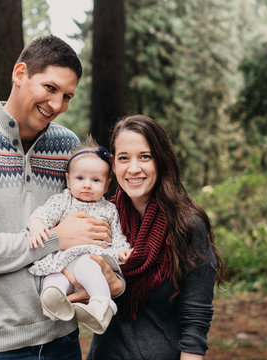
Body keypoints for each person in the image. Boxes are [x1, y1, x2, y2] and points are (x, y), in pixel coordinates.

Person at [0, 35, 124, 360]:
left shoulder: (67, 147)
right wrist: (54, 240)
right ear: (20, 74)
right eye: (50, 88)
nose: (58, 105)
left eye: (67, 96)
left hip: (62, 341)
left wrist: (111, 274)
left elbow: (95, 223)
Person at [83, 114, 224, 360]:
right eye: (124, 158)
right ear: (113, 165)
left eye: (145, 157)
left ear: (161, 161)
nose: (134, 168)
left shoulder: (187, 225)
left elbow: (195, 320)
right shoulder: (102, 220)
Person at [27, 140, 132, 335]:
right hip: (63, 258)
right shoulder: (62, 201)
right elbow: (43, 214)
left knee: (88, 265)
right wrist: (37, 224)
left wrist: (122, 250)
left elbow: (117, 236)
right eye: (80, 178)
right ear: (68, 180)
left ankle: (101, 305)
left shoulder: (109, 209)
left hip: (89, 256)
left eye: (95, 180)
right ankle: (53, 301)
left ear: (107, 184)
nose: (86, 185)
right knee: (54, 276)